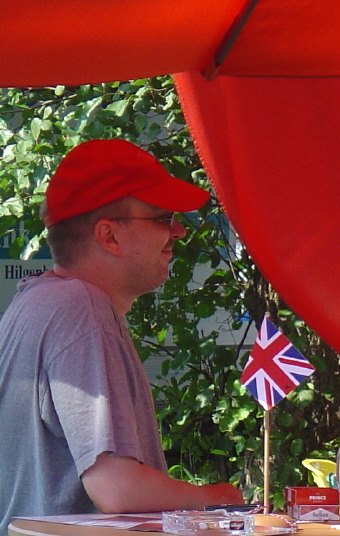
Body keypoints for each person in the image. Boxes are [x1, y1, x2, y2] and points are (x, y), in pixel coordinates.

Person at [0, 139, 243, 533]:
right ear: (109, 236)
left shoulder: (36, 303)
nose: (178, 231)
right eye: (163, 218)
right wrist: (222, 498)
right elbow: (117, 489)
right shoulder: (80, 308)